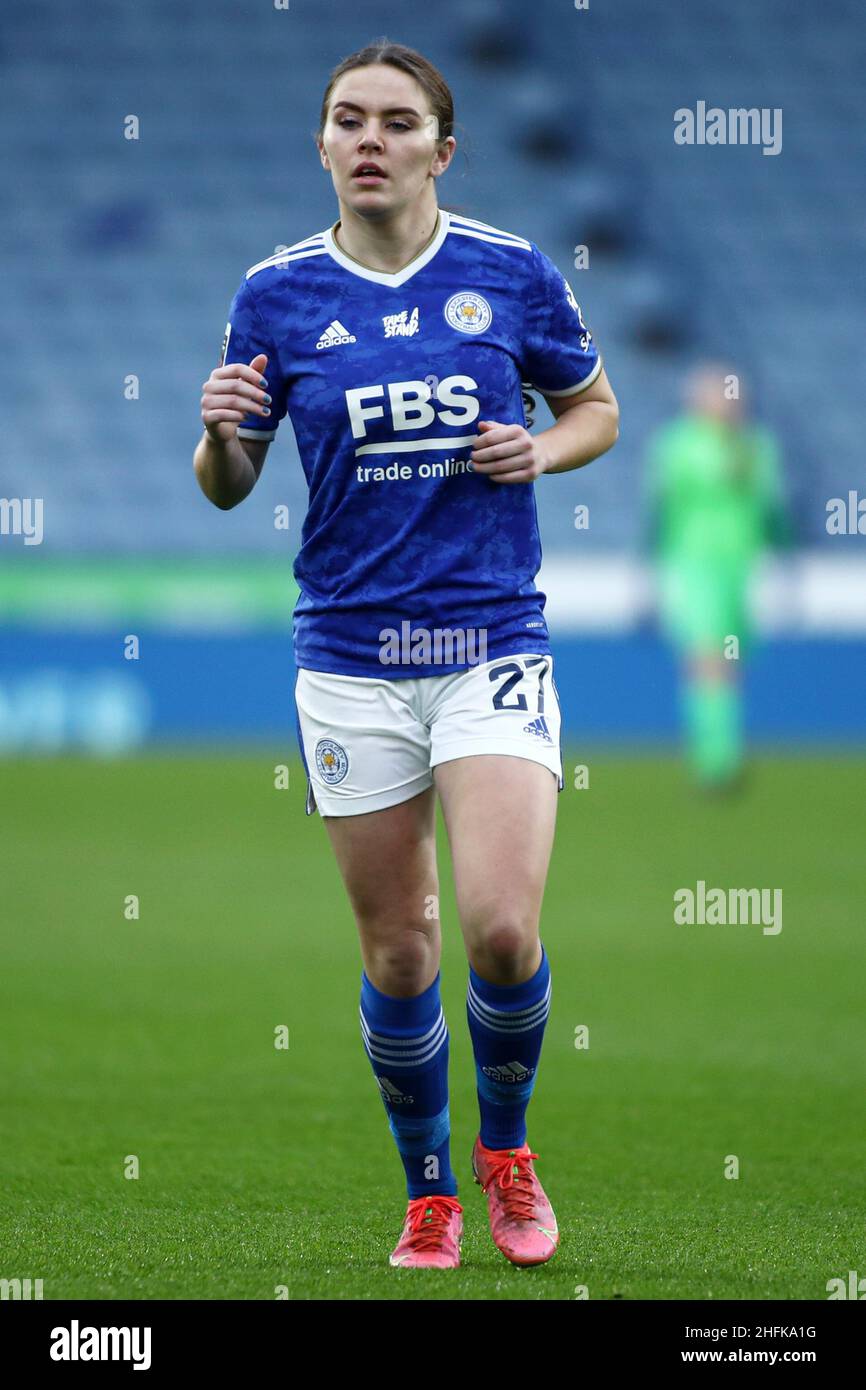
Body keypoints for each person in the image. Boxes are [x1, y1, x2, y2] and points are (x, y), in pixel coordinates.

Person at [194, 38, 618, 1269]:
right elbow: (227, 484)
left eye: (394, 121)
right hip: (348, 655)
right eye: (345, 119)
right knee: (398, 951)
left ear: (443, 145)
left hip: (485, 635)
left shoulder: (508, 273)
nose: (367, 139)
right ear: (322, 143)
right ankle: (427, 1187)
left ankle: (506, 1151)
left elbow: (592, 407)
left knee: (496, 929)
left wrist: (539, 450)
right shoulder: (276, 293)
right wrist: (222, 439)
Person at [644, 362, 790, 790]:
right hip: (695, 564)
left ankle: (721, 750)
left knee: (729, 663)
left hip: (744, 567)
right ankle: (715, 761)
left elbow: (771, 508)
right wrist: (651, 570)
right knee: (706, 658)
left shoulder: (756, 445)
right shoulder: (679, 444)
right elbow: (661, 509)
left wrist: (785, 561)